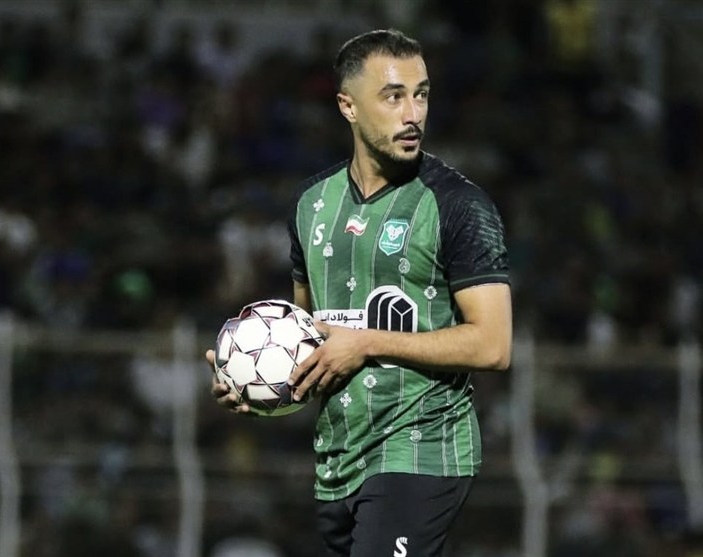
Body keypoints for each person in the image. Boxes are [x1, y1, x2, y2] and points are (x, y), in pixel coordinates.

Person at [208, 28, 512, 557]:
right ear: (347, 106)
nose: (413, 114)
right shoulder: (310, 205)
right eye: (393, 97)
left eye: (421, 95)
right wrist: (255, 383)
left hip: (421, 453)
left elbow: (493, 345)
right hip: (338, 461)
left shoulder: (458, 206)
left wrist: (366, 342)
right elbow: (306, 339)